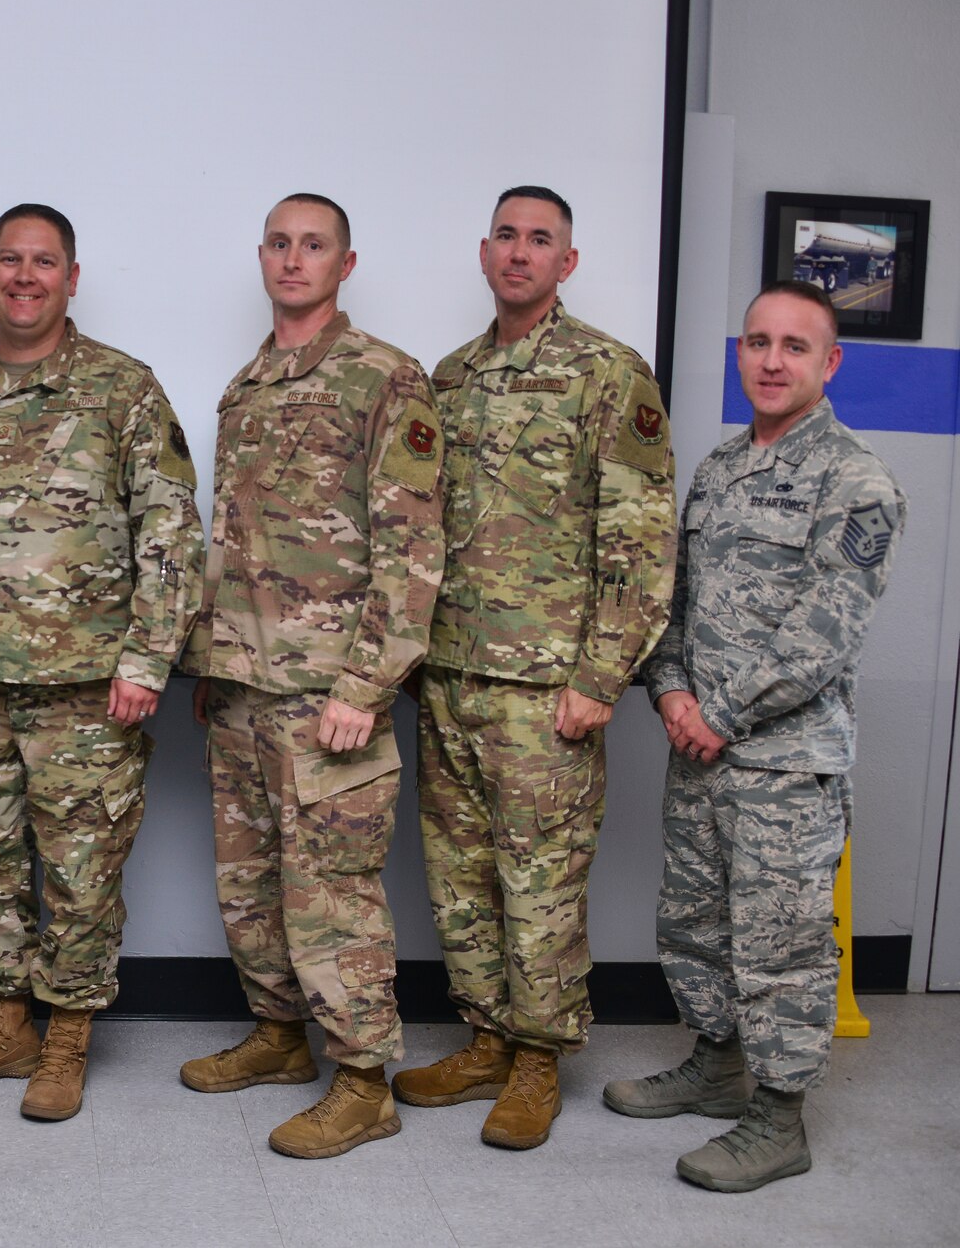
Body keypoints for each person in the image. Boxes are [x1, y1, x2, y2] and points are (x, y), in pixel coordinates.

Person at [0, 203, 205, 1121]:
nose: (24, 276)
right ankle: (6, 1020)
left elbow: (172, 531)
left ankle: (67, 1036)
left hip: (89, 689)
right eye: (8, 260)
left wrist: (150, 658)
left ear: (73, 277)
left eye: (44, 262)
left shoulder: (122, 389)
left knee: (81, 868)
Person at [605, 281, 903, 1192]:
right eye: (758, 342)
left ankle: (779, 1119)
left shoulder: (856, 480)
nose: (773, 361)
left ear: (830, 362)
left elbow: (824, 632)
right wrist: (671, 693)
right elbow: (677, 602)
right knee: (695, 923)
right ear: (739, 353)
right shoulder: (717, 471)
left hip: (782, 763)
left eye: (795, 346)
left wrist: (719, 715)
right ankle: (717, 1062)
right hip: (697, 750)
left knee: (781, 944)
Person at [394, 186, 676, 1149]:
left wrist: (600, 678)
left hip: (547, 689)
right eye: (507, 236)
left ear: (569, 260)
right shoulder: (450, 374)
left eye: (540, 239)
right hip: (451, 678)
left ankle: (539, 1060)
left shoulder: (607, 371)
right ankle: (484, 1036)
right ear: (484, 252)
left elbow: (639, 541)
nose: (520, 252)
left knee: (541, 882)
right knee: (460, 878)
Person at [177, 194, 444, 1157]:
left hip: (329, 694)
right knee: (250, 884)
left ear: (346, 262)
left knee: (331, 893)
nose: (295, 260)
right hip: (243, 686)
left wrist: (364, 689)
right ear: (262, 257)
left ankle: (365, 1082)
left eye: (314, 246)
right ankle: (282, 1037)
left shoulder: (382, 377)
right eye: (281, 244)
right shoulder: (246, 386)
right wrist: (210, 656)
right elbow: (229, 543)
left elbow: (413, 551)